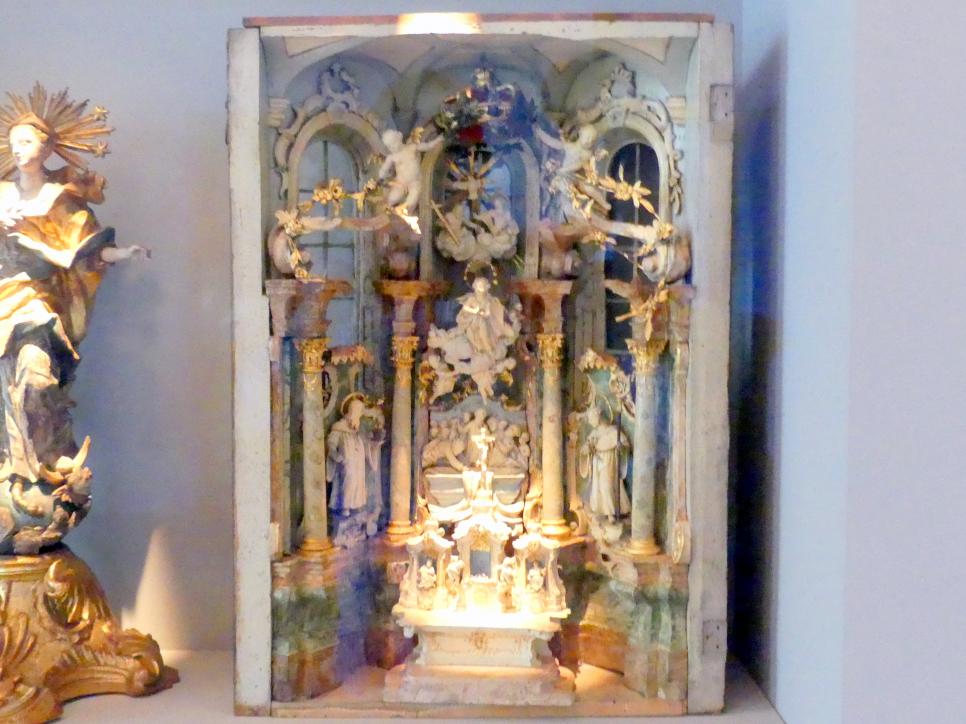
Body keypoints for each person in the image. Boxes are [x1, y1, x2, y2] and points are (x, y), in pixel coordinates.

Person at [578, 405, 631, 521]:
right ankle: (600, 511)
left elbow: (625, 445)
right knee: (597, 487)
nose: (590, 422)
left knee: (607, 485)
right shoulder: (594, 433)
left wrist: (620, 447)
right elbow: (586, 447)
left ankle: (611, 512)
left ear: (598, 417)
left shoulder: (613, 431)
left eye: (591, 419)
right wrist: (587, 449)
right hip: (597, 462)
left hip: (609, 461)